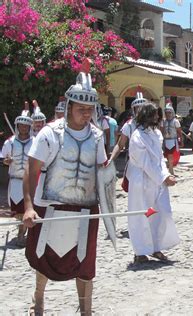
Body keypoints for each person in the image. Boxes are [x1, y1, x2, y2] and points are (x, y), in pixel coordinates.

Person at [22, 60, 107, 315]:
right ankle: (38, 301)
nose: (86, 114)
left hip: (85, 208)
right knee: (44, 257)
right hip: (51, 207)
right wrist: (28, 207)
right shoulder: (49, 133)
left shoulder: (98, 136)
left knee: (85, 262)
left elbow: (101, 172)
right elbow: (31, 169)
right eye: (81, 108)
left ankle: (86, 310)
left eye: (89, 109)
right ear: (70, 107)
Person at [127, 102, 180, 263]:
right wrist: (163, 177)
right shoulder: (137, 136)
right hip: (141, 181)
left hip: (157, 181)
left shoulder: (157, 134)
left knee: (162, 212)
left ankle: (156, 247)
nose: (157, 117)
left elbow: (159, 159)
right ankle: (141, 251)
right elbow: (145, 163)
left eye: (158, 114)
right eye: (154, 114)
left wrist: (166, 175)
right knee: (142, 215)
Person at [2, 105, 33, 247]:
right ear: (18, 126)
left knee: (28, 207)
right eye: (21, 126)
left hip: (30, 181)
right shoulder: (10, 142)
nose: (24, 128)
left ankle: (23, 233)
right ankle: (21, 233)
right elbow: (3, 158)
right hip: (15, 180)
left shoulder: (35, 142)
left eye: (26, 126)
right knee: (18, 210)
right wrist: (7, 161)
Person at [161, 101, 183, 175]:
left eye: (169, 112)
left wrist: (181, 141)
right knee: (167, 156)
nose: (168, 114)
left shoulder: (175, 121)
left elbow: (179, 132)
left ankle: (171, 170)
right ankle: (170, 169)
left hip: (173, 141)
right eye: (166, 112)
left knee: (170, 155)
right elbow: (160, 131)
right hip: (165, 141)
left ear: (172, 112)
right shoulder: (163, 121)